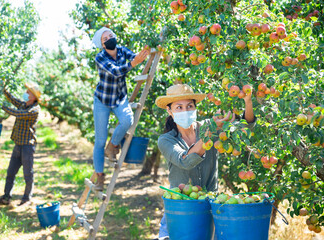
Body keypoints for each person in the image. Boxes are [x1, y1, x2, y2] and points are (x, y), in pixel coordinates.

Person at [154, 84, 256, 239]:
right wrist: (211, 131)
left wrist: (248, 101)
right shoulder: (166, 140)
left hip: (209, 208)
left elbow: (246, 127)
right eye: (179, 107)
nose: (185, 111)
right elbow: (186, 161)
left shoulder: (209, 126)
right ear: (170, 111)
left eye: (189, 106)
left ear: (195, 108)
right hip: (180, 209)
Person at [91, 27, 149, 191]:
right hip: (102, 100)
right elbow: (116, 72)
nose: (109, 38)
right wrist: (133, 63)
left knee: (127, 120)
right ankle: (100, 177)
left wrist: (142, 55)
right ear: (102, 45)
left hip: (119, 98)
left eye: (111, 35)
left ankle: (113, 145)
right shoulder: (100, 57)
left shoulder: (122, 51)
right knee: (100, 141)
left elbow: (135, 58)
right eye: (105, 38)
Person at [0, 82, 41, 207]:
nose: (25, 93)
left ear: (33, 96)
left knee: (28, 173)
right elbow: (12, 99)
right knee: (11, 172)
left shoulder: (34, 110)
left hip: (27, 146)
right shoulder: (23, 105)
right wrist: (3, 88)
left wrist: (1, 106)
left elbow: (18, 114)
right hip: (18, 144)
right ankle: (6, 197)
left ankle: (26, 198)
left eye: (28, 92)